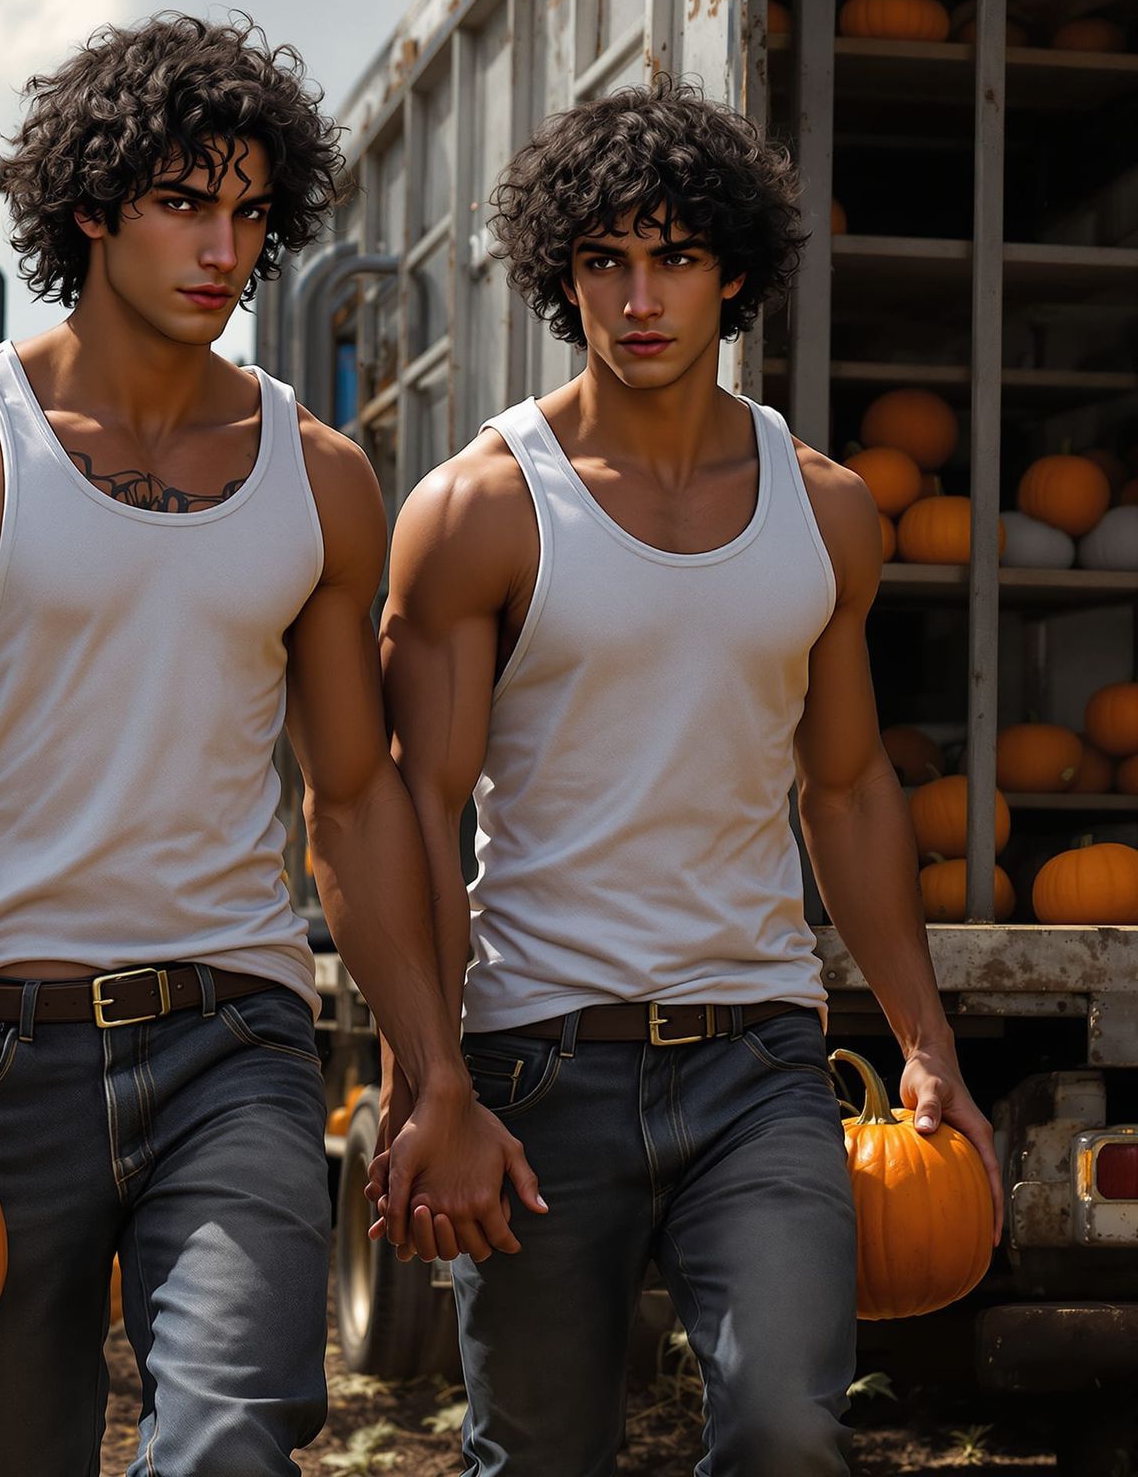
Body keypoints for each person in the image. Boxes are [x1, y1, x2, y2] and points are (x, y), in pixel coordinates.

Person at [0, 11, 538, 1477]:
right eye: (183, 203)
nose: (223, 248)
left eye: (249, 212)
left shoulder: (322, 480)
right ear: (91, 208)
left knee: (227, 1444)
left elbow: (355, 800)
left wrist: (431, 1067)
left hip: (237, 1043)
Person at [372, 74, 1005, 1474]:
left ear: (735, 274)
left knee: (788, 1430)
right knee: (536, 1454)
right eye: (604, 261)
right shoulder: (480, 511)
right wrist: (431, 1080)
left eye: (674, 257)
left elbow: (843, 792)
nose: (639, 297)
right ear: (563, 277)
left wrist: (921, 1037)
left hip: (762, 1061)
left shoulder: (826, 512)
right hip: (540, 1059)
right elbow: (410, 807)